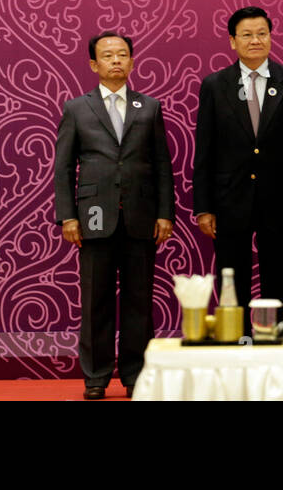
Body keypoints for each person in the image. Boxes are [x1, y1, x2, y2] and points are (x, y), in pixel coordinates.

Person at [53, 32, 175, 400]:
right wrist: (67, 217)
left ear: (132, 61)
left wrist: (165, 214)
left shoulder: (149, 107)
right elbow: (63, 167)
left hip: (140, 216)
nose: (116, 61)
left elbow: (162, 166)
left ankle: (137, 374)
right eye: (108, 56)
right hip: (92, 216)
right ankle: (96, 375)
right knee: (96, 300)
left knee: (139, 301)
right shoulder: (77, 108)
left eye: (123, 54)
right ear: (95, 64)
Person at [192, 7, 283, 329]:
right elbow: (204, 149)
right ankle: (236, 334)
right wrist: (204, 207)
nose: (255, 40)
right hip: (229, 197)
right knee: (232, 274)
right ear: (233, 41)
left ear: (271, 37)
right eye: (246, 35)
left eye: (262, 33)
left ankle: (276, 333)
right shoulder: (215, 85)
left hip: (280, 197)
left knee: (278, 272)